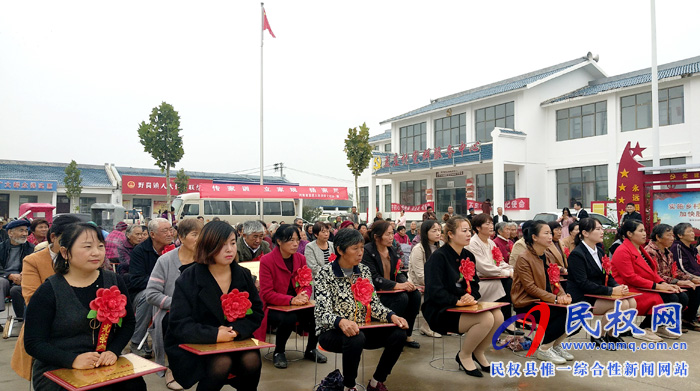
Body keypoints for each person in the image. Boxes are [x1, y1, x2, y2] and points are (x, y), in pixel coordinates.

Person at [24, 223, 145, 391]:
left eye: (100, 246)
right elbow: (33, 343)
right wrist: (72, 360)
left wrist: (113, 351)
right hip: (60, 366)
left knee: (135, 384)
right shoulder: (49, 291)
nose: (96, 252)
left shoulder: (114, 281)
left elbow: (128, 323)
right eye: (87, 247)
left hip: (104, 362)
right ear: (65, 252)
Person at [165, 221, 264, 391]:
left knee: (252, 358)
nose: (229, 249)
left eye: (233, 243)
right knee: (221, 362)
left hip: (234, 338)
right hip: (198, 341)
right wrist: (215, 334)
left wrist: (237, 330)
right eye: (222, 244)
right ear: (208, 246)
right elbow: (179, 323)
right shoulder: (188, 278)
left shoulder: (243, 274)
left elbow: (256, 312)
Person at [315, 228, 409, 391]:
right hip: (332, 331)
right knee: (355, 338)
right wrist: (341, 322)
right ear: (340, 250)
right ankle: (349, 386)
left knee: (399, 333)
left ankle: (376, 381)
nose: (360, 253)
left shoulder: (363, 271)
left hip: (363, 327)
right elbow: (322, 313)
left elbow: (374, 304)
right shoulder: (325, 274)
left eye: (362, 247)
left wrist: (392, 316)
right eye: (355, 248)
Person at [422, 216, 504, 377]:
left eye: (469, 231)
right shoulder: (439, 257)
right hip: (441, 309)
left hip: (463, 305)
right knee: (486, 318)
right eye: (464, 231)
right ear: (451, 234)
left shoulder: (468, 255)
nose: (469, 234)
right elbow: (434, 290)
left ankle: (478, 352)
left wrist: (471, 296)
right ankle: (464, 355)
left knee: (498, 316)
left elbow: (474, 285)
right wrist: (456, 301)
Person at [11, 214, 81, 380]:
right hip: (46, 331)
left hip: (81, 332)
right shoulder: (33, 261)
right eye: (70, 238)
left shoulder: (81, 258)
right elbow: (32, 300)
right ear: (53, 237)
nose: (75, 244)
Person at [256, 224, 326, 369]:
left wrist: (305, 295)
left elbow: (306, 282)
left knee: (319, 311)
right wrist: (291, 300)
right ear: (279, 241)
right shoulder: (267, 261)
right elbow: (267, 293)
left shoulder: (300, 258)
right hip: (273, 306)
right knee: (289, 317)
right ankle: (279, 352)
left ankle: (311, 349)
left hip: (297, 303)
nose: (295, 244)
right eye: (290, 240)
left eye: (297, 240)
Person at [145, 218, 202, 389]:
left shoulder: (206, 261)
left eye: (202, 235)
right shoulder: (166, 261)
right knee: (171, 322)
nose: (200, 239)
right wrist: (179, 305)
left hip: (199, 312)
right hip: (170, 311)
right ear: (181, 237)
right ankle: (172, 367)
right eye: (194, 234)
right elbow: (151, 294)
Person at [511, 220, 575, 364]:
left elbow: (554, 281)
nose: (550, 236)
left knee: (576, 311)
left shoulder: (548, 255)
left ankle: (555, 345)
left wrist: (563, 295)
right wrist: (556, 300)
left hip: (546, 300)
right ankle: (544, 349)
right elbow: (530, 288)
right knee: (561, 313)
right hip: (527, 303)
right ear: (534, 237)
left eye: (550, 233)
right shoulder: (524, 258)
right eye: (546, 233)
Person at [566, 218, 636, 349]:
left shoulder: (599, 251)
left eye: (601, 229)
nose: (602, 232)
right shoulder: (577, 254)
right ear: (585, 233)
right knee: (620, 304)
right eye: (597, 229)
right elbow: (583, 283)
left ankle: (612, 334)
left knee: (631, 302)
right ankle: (598, 334)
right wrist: (610, 292)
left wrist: (617, 287)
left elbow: (607, 275)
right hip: (583, 296)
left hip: (596, 292)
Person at [611, 219, 684, 340]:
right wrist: (657, 286)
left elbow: (652, 272)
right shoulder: (622, 251)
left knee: (680, 296)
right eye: (640, 231)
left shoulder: (641, 249)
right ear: (630, 234)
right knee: (663, 298)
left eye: (644, 230)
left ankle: (658, 326)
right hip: (628, 288)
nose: (644, 233)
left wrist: (663, 284)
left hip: (643, 285)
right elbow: (630, 277)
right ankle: (646, 328)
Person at [362, 220, 421, 348]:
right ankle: (389, 335)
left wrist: (406, 283)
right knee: (402, 298)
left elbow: (398, 272)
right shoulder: (367, 251)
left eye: (392, 233)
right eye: (388, 234)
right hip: (376, 293)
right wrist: (399, 286)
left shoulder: (392, 250)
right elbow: (374, 277)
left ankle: (407, 334)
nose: (391, 237)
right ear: (377, 237)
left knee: (415, 295)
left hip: (391, 289)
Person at [126, 217, 173, 358]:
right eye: (165, 231)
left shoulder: (173, 250)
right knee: (150, 297)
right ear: (152, 234)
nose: (170, 233)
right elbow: (136, 280)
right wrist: (158, 283)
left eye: (171, 230)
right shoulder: (140, 251)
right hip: (140, 293)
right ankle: (136, 341)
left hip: (166, 291)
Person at [467, 213, 516, 333]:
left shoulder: (491, 243)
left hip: (494, 277)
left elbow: (499, 261)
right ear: (478, 228)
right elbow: (484, 267)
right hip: (480, 281)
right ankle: (506, 321)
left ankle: (506, 320)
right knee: (506, 282)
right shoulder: (473, 243)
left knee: (511, 280)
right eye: (487, 224)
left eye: (491, 223)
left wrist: (511, 269)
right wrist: (506, 272)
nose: (491, 226)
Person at [646, 223, 700, 331]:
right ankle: (660, 324)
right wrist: (677, 282)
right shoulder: (650, 251)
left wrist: (690, 279)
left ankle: (685, 320)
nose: (672, 238)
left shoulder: (668, 252)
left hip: (668, 283)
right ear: (658, 237)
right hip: (656, 285)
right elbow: (654, 275)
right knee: (678, 296)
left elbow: (676, 271)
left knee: (694, 287)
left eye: (672, 236)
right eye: (669, 235)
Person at [408, 220, 443, 338]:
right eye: (434, 231)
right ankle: (428, 326)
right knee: (439, 295)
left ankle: (435, 325)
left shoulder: (440, 247)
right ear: (425, 232)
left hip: (434, 285)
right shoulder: (419, 249)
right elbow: (420, 276)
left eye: (439, 230)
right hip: (419, 286)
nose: (438, 233)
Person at [0, 219, 34, 319]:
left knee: (16, 290)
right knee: (0, 282)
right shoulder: (1, 248)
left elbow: (34, 265)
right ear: (10, 233)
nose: (25, 234)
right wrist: (9, 275)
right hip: (4, 277)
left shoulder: (31, 248)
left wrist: (24, 274)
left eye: (26, 231)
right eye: (21, 230)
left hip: (23, 279)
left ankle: (23, 319)